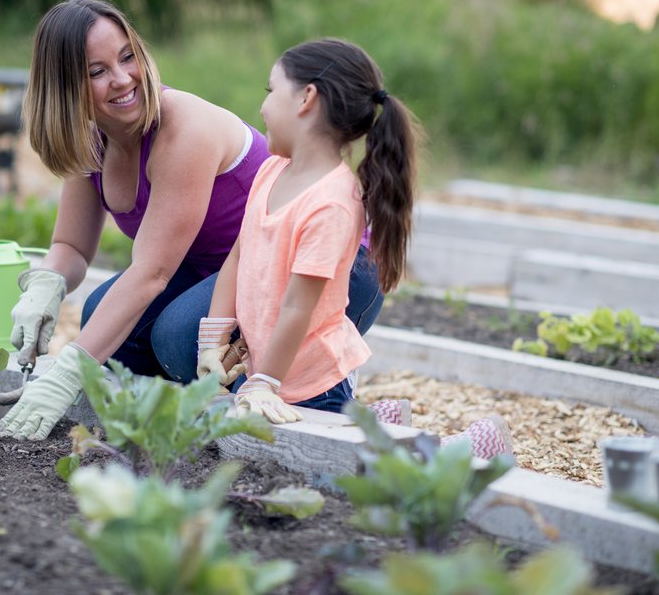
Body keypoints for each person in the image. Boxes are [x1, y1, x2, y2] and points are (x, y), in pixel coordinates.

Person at [0, 0, 384, 441]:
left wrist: (67, 375)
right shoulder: (93, 140)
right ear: (65, 87)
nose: (123, 79)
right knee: (101, 318)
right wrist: (46, 284)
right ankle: (224, 385)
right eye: (96, 71)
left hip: (322, 270)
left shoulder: (183, 129)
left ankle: (323, 393)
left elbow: (152, 273)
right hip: (227, 272)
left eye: (127, 57)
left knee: (178, 339)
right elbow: (71, 247)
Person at [195, 38, 513, 459]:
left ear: (306, 98)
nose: (262, 107)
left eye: (271, 92)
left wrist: (264, 382)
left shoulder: (332, 202)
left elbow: (297, 307)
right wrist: (212, 341)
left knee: (346, 470)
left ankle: (468, 446)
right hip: (273, 374)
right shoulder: (272, 169)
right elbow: (239, 253)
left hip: (312, 382)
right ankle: (373, 419)